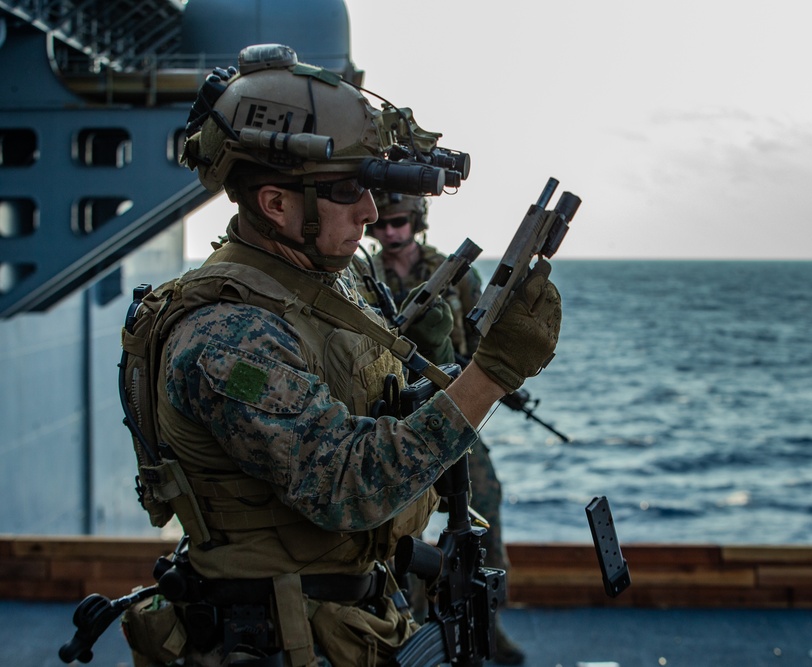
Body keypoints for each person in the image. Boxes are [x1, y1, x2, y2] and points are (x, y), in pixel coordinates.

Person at [121, 43, 561, 667]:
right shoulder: (227, 340)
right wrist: (492, 373)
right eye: (348, 189)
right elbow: (350, 486)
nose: (372, 212)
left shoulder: (332, 279)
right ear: (276, 204)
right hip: (271, 641)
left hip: (348, 622)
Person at [360, 193, 525, 665]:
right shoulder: (365, 277)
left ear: (415, 222)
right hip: (394, 418)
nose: (390, 233)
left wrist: (490, 379)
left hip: (454, 410)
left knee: (484, 507)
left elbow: (482, 342)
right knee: (398, 530)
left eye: (399, 223)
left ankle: (486, 621)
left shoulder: (456, 274)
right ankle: (408, 626)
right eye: (383, 225)